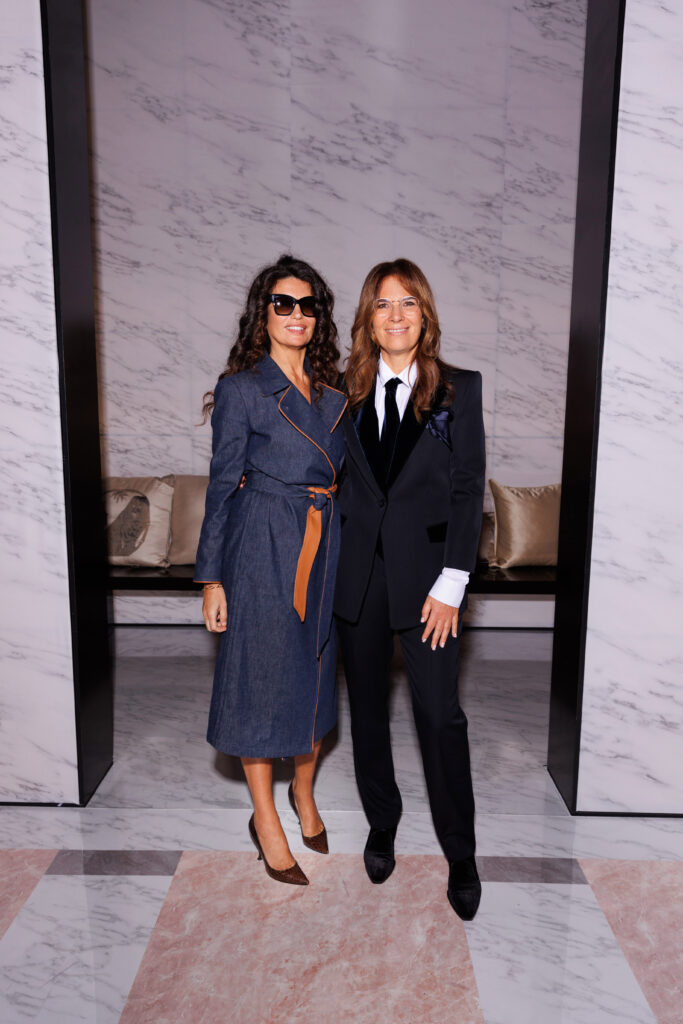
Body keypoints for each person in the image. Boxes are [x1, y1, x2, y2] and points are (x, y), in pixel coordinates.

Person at [334, 258, 485, 920]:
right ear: (368, 320)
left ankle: (461, 853)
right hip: (358, 579)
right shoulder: (341, 392)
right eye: (382, 305)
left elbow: (467, 489)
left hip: (431, 585)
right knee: (367, 713)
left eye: (408, 303)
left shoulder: (458, 388)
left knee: (439, 716)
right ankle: (382, 823)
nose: (395, 316)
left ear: (425, 315)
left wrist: (453, 583)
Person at [195, 254, 347, 886]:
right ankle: (266, 820)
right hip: (260, 541)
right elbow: (220, 484)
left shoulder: (337, 393)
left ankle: (303, 792)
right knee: (260, 680)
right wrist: (212, 579)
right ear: (264, 313)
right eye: (283, 303)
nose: (296, 314)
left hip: (323, 543)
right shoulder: (241, 389)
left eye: (308, 305)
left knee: (315, 675)